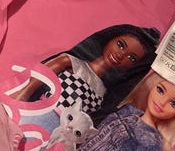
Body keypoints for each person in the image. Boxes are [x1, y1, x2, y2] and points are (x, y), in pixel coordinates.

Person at [12, 24, 160, 131]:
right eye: (120, 45)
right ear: (110, 38)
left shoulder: (102, 92)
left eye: (132, 58)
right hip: (39, 114)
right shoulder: (71, 62)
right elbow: (38, 77)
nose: (121, 55)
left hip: (60, 133)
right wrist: (17, 100)